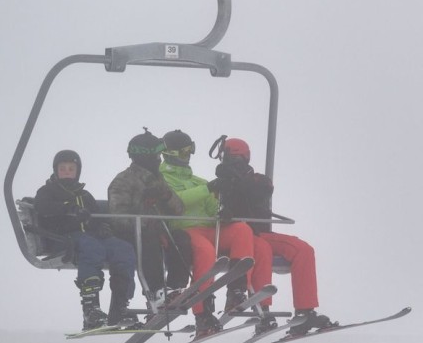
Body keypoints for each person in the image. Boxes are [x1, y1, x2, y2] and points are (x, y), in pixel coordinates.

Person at [209, 136, 333, 331]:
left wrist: (236, 179)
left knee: (303, 249)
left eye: (237, 160)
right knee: (262, 249)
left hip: (260, 232)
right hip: (239, 236)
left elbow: (264, 189)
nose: (234, 164)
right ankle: (262, 309)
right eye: (231, 160)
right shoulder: (219, 186)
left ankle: (305, 311)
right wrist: (224, 187)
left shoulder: (256, 180)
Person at [158, 129, 268, 332]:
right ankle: (203, 313)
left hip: (209, 228)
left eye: (190, 150)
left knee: (241, 230)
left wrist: (223, 210)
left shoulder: (198, 181)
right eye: (184, 152)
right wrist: (208, 189)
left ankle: (236, 290)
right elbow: (178, 201)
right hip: (185, 229)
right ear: (170, 154)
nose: (188, 156)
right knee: (206, 252)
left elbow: (210, 208)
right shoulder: (161, 179)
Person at [33, 149, 137, 330]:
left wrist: (103, 227)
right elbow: (42, 206)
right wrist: (68, 209)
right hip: (62, 237)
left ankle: (119, 308)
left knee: (123, 249)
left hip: (89, 237)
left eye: (71, 169)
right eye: (63, 168)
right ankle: (91, 310)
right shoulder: (48, 191)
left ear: (77, 171)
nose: (67, 172)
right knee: (92, 248)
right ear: (56, 170)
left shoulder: (84, 195)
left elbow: (96, 218)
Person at [107, 130, 192, 304]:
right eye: (155, 155)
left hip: (158, 231)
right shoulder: (123, 180)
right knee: (149, 239)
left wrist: (166, 196)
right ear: (142, 157)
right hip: (132, 235)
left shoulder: (158, 179)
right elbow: (118, 218)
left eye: (159, 155)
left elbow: (179, 210)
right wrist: (144, 208)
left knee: (181, 238)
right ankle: (155, 291)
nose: (158, 159)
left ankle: (175, 287)